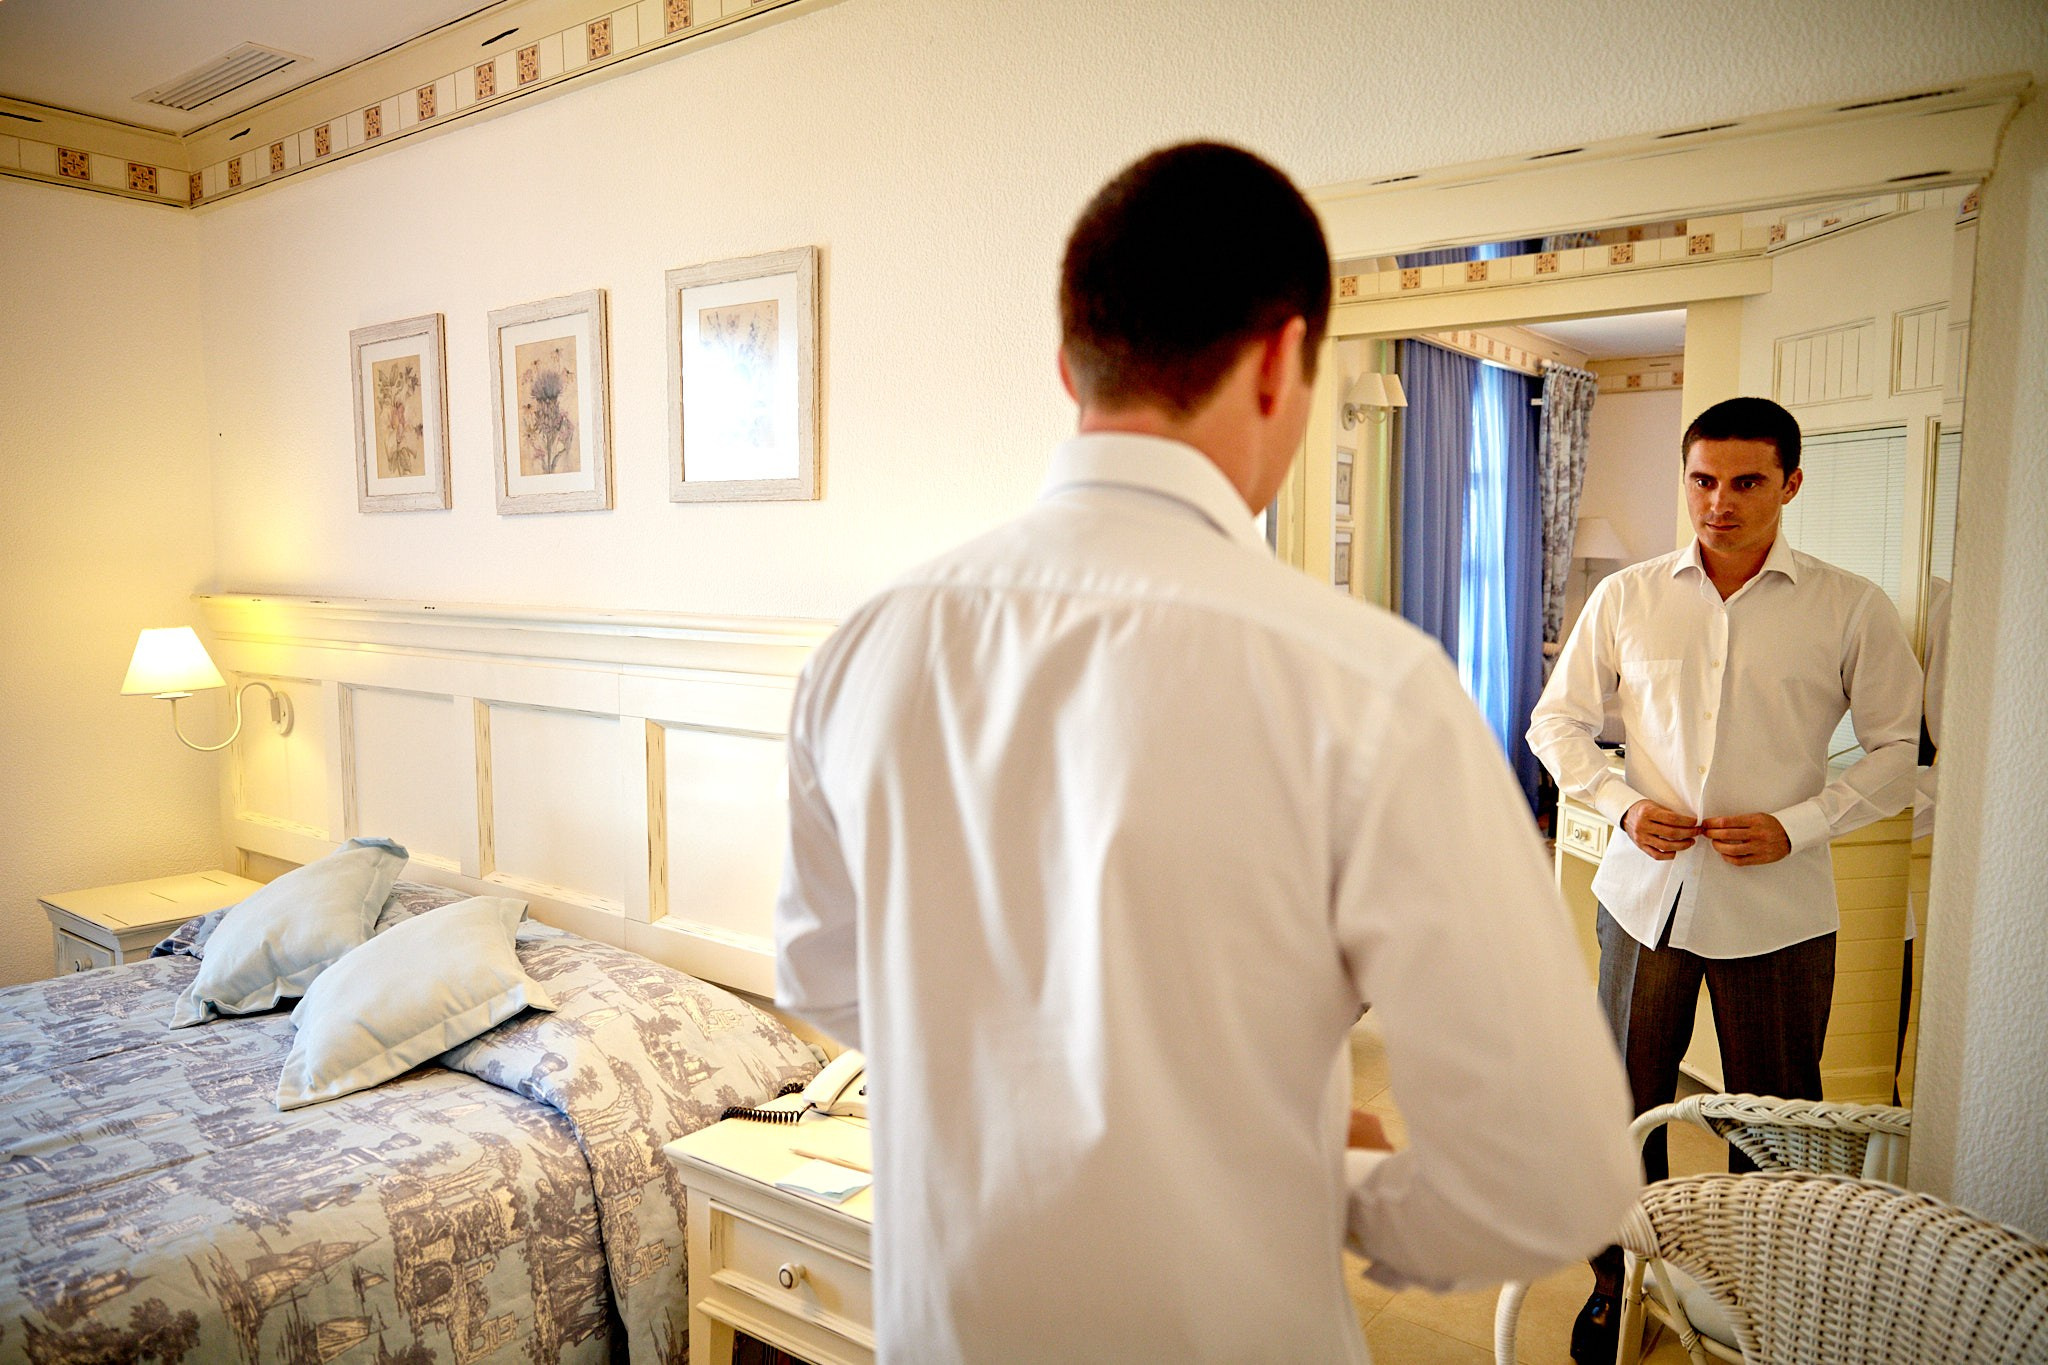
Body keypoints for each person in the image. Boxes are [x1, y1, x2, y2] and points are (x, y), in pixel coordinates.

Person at [776, 141, 1638, 1363]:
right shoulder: (1366, 688)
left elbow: (820, 978)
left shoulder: (866, 648)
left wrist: (1012, 1073)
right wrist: (1319, 1178)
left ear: (1068, 364)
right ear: (1285, 356)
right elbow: (1549, 1177)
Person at [1527, 395, 1922, 1363]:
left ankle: (1770, 1291)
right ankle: (1614, 1281)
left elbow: (1895, 749)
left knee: (1775, 1112)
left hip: (1778, 907)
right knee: (1623, 1099)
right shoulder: (1624, 597)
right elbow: (1555, 723)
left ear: (1788, 484)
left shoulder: (1849, 605)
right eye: (1701, 480)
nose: (1718, 503)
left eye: (1744, 481)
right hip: (1642, 897)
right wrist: (1618, 802)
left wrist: (1799, 824)